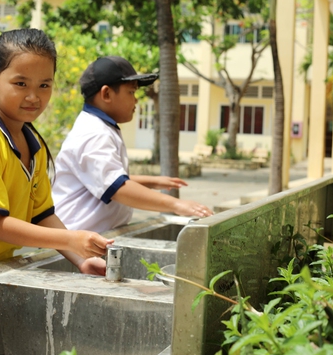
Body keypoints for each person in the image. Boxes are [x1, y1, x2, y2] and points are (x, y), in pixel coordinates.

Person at [0, 29, 114, 275]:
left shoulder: (33, 140)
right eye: (20, 83)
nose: (33, 96)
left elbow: (41, 214)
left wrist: (80, 260)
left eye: (44, 85)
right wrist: (71, 240)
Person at [52, 56, 214, 233]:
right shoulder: (93, 134)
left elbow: (105, 178)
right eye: (131, 92)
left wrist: (151, 181)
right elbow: (118, 188)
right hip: (71, 246)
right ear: (106, 94)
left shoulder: (101, 127)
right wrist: (177, 204)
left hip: (88, 240)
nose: (136, 100)